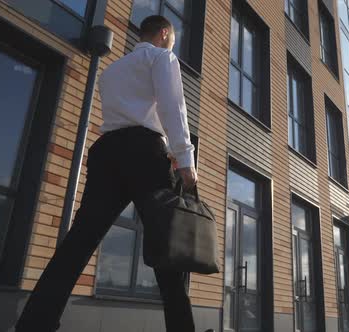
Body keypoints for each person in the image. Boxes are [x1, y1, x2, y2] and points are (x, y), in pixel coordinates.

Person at [15, 15, 207, 332]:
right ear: (164, 33)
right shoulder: (162, 57)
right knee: (166, 244)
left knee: (78, 243)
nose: (171, 44)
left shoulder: (111, 71)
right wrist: (186, 162)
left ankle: (34, 324)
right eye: (172, 39)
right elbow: (173, 106)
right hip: (146, 152)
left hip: (106, 151)